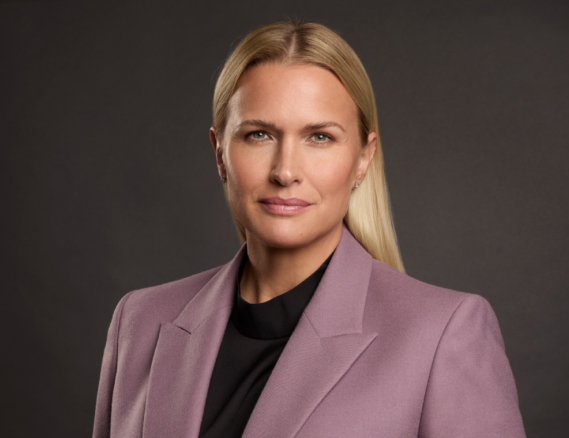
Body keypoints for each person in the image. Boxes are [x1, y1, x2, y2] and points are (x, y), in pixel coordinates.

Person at [92, 21, 526, 438]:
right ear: (220, 152)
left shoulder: (443, 333)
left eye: (319, 137)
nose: (285, 172)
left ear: (363, 158)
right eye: (259, 134)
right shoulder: (140, 321)